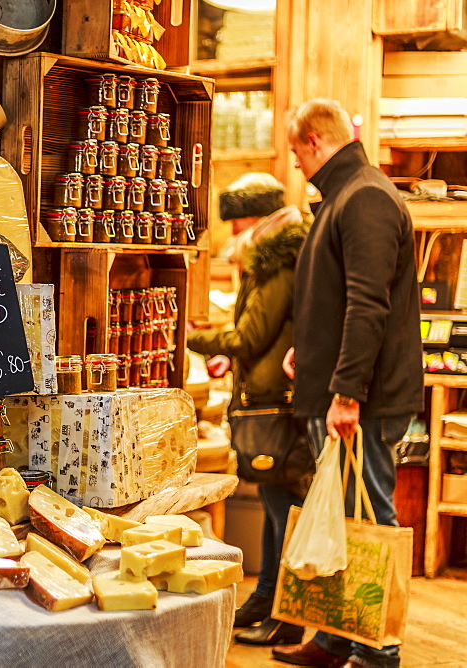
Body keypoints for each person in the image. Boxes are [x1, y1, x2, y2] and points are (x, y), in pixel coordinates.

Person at [275, 99, 423, 668]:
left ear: (315, 141)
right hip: (341, 391)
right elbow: (340, 300)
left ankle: (377, 650)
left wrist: (345, 394)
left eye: (295, 151)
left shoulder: (363, 197)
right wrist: (306, 354)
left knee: (368, 521)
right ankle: (337, 638)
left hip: (361, 401)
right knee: (343, 520)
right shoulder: (347, 195)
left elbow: (368, 305)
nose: (294, 163)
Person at [188, 173, 310, 647]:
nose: (234, 235)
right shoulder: (277, 253)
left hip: (276, 398)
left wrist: (191, 336)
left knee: (283, 504)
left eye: (237, 224)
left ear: (254, 219)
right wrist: (231, 354)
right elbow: (259, 336)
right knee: (276, 502)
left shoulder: (278, 260)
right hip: (270, 391)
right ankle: (265, 598)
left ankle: (284, 611)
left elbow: (252, 336)